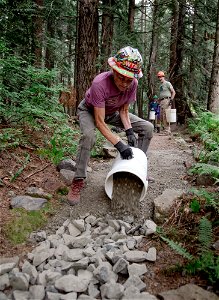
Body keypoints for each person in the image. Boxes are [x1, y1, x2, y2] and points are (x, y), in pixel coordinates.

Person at [67, 46, 154, 205]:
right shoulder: (99, 84)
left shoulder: (132, 83)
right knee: (88, 136)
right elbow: (99, 122)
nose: (125, 83)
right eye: (121, 78)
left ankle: (136, 169)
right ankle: (78, 180)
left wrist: (128, 131)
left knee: (147, 128)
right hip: (90, 110)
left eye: (129, 80)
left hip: (113, 111)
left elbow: (124, 109)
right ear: (114, 71)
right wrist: (119, 144)